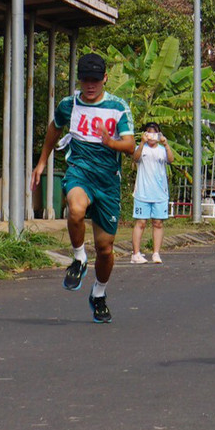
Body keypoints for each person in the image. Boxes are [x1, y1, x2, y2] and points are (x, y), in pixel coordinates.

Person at [30, 52, 135, 324]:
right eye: (86, 80)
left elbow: (130, 145)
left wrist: (109, 142)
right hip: (79, 172)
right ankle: (78, 258)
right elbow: (54, 128)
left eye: (96, 81)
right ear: (79, 79)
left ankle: (98, 294)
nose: (90, 86)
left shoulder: (118, 107)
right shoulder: (70, 104)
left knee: (106, 249)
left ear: (105, 79)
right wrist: (42, 162)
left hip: (108, 183)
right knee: (75, 210)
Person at [129, 122, 175, 264]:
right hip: (142, 192)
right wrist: (142, 143)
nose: (152, 137)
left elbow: (171, 159)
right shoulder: (140, 148)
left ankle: (156, 253)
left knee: (158, 223)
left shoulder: (162, 149)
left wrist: (166, 144)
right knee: (141, 222)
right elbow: (135, 158)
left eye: (155, 134)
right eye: (149, 133)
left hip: (160, 193)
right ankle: (136, 253)